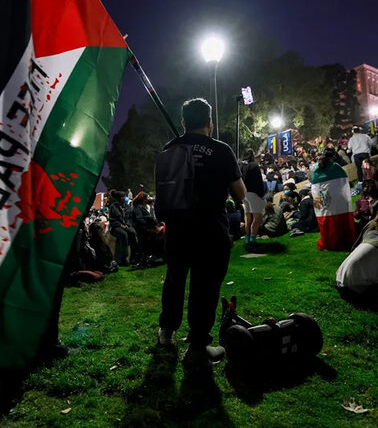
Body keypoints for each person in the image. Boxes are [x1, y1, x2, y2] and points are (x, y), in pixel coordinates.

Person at [156, 98, 246, 370]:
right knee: (204, 287)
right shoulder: (220, 150)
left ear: (183, 122)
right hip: (210, 229)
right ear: (210, 121)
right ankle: (198, 343)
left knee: (174, 280)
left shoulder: (168, 149)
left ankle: (166, 332)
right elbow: (239, 193)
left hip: (177, 229)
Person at [311, 148, 355, 251]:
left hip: (325, 198)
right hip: (339, 199)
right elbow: (344, 183)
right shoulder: (336, 167)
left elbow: (315, 189)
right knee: (340, 222)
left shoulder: (316, 171)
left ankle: (329, 242)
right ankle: (344, 241)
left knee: (328, 221)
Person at [239, 148, 266, 252]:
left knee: (248, 216)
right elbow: (259, 182)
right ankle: (252, 240)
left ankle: (247, 239)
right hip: (254, 193)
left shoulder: (240, 165)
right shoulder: (254, 166)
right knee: (257, 217)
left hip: (244, 194)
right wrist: (261, 194)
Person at [107, 190, 142, 266]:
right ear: (119, 198)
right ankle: (123, 258)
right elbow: (112, 221)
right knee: (124, 235)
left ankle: (135, 256)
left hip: (127, 226)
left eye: (124, 196)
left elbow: (130, 218)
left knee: (133, 233)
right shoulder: (113, 207)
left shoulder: (128, 207)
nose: (124, 198)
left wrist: (128, 225)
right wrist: (121, 225)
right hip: (116, 227)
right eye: (122, 197)